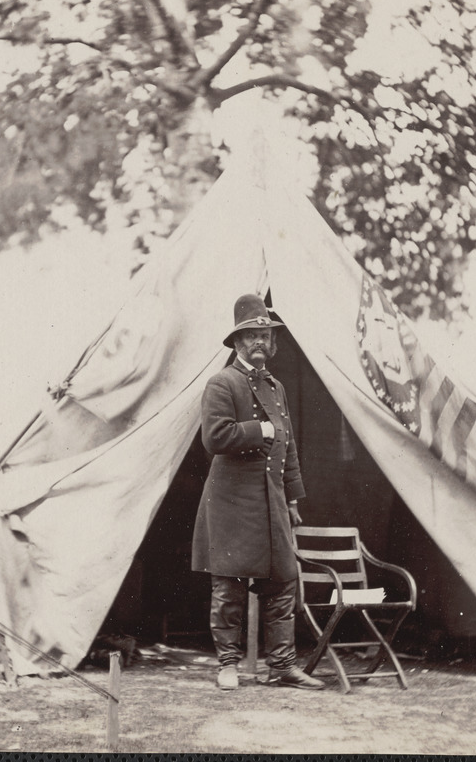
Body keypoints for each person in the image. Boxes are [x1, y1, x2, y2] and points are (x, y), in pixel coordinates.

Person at [191, 294, 324, 691]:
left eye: (265, 334)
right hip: (231, 503)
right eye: (250, 335)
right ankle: (228, 666)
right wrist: (258, 431)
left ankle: (282, 666)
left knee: (283, 584)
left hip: (271, 501)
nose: (259, 342)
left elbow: (289, 445)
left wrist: (293, 497)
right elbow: (214, 438)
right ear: (236, 342)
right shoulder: (222, 382)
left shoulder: (276, 387)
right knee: (228, 588)